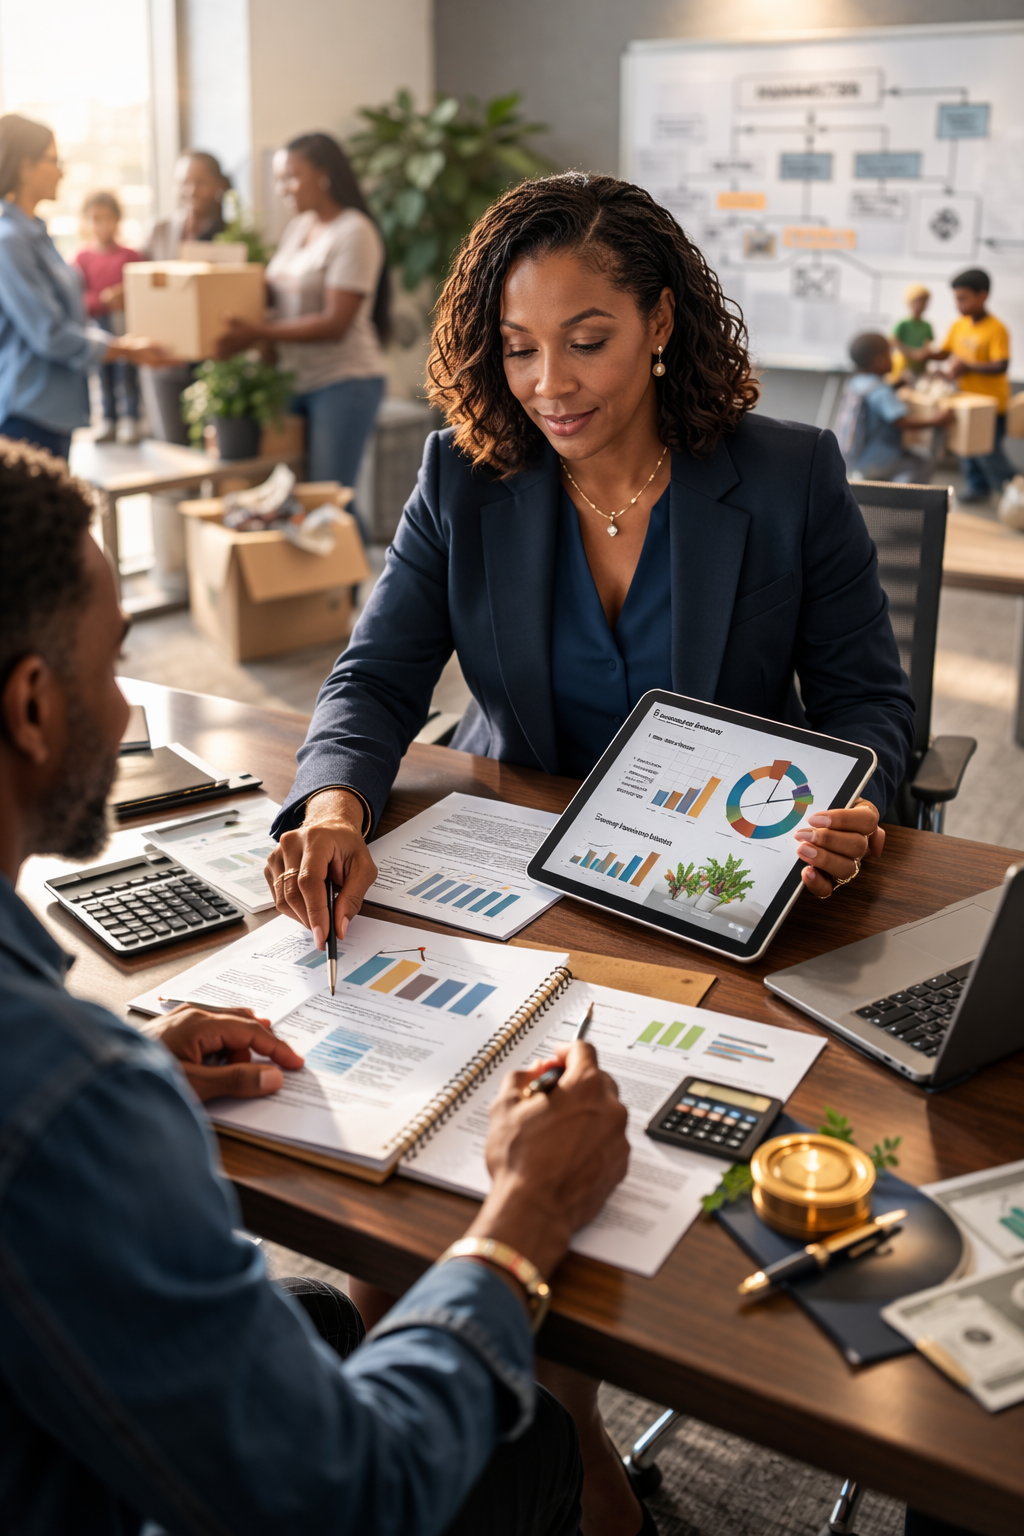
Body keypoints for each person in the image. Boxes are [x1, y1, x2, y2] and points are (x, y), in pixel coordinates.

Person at [261, 172, 916, 1535]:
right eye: (517, 344)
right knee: (404, 1165)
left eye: (588, 337)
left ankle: (563, 1472)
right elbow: (376, 677)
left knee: (608, 1185)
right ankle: (531, 1460)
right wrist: (332, 808)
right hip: (518, 878)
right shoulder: (467, 470)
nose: (548, 382)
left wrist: (858, 798)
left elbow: (870, 704)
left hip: (726, 897)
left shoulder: (783, 470)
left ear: (662, 322)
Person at [0, 439, 631, 1534]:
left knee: (329, 1327)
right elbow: (353, 1501)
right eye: (111, 668)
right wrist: (526, 1212)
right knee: (530, 1433)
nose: (123, 706)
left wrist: (124, 1071)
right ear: (32, 707)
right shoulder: (65, 1100)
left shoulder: (66, 1083)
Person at [216, 131, 390, 536]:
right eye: (279, 179)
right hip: (294, 380)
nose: (283, 189)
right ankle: (328, 590)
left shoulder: (354, 231)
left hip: (344, 382)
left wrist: (259, 331)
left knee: (327, 498)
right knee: (294, 496)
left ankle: (353, 595)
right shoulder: (299, 228)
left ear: (324, 176)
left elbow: (335, 322)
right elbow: (274, 292)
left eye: (291, 177)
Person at [0, 114, 168, 460]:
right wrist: (125, 349)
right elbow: (50, 334)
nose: (61, 171)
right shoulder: (9, 240)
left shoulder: (36, 234)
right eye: (54, 160)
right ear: (26, 167)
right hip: (27, 411)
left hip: (54, 410)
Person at [139, 150, 232, 444]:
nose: (190, 191)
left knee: (216, 446)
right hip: (167, 356)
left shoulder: (232, 235)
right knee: (171, 445)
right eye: (183, 183)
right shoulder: (159, 231)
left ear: (219, 184)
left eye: (200, 182)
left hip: (214, 360)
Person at [929, 267, 1015, 503]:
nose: (959, 304)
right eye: (956, 299)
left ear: (982, 295)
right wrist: (928, 356)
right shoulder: (959, 325)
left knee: (988, 453)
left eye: (963, 298)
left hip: (991, 406)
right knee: (966, 449)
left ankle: (1014, 491)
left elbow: (1001, 365)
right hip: (964, 401)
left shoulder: (996, 328)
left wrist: (966, 365)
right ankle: (978, 489)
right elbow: (946, 352)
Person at [72, 190, 143, 443]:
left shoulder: (130, 255)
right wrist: (101, 300)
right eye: (95, 218)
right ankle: (108, 420)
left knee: (127, 372)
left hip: (126, 323)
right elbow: (77, 298)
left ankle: (130, 418)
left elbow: (142, 290)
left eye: (107, 217)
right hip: (98, 326)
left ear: (118, 219)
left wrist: (124, 295)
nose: (102, 224)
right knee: (102, 374)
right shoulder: (82, 258)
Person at [838, 331, 951, 483]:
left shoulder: (858, 382)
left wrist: (896, 386)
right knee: (923, 461)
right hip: (878, 459)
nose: (893, 358)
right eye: (889, 354)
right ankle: (905, 500)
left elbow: (874, 397)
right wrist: (936, 421)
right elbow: (902, 422)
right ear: (879, 361)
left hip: (854, 455)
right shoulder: (881, 391)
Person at [892, 283, 933, 376]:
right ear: (909, 302)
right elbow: (894, 341)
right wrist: (911, 354)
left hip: (920, 367)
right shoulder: (903, 324)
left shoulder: (927, 325)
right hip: (902, 367)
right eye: (919, 301)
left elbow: (928, 344)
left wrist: (923, 354)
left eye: (925, 302)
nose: (922, 305)